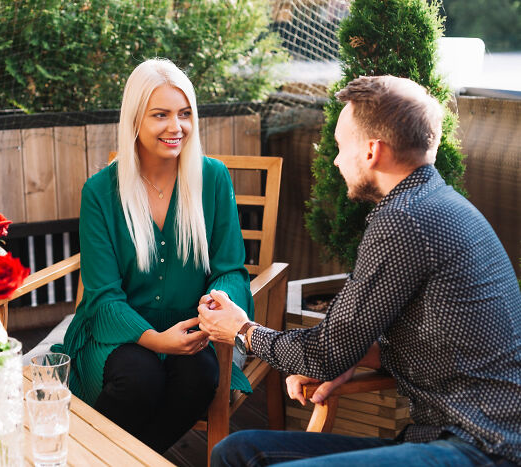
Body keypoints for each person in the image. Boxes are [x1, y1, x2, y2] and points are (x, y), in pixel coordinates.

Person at [199, 75, 521, 466]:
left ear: (371, 151)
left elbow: (324, 353)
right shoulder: (433, 202)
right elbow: (447, 343)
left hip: (484, 446)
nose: (335, 160)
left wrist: (241, 330)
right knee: (236, 452)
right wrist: (360, 358)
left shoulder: (404, 219)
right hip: (449, 433)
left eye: (339, 145)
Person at [55, 58, 254, 453]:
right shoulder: (100, 192)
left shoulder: (213, 178)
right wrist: (156, 341)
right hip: (119, 334)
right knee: (138, 377)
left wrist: (219, 302)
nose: (175, 127)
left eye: (184, 114)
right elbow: (102, 295)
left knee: (199, 375)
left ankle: (113, 460)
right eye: (160, 115)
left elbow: (230, 269)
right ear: (134, 120)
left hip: (195, 330)